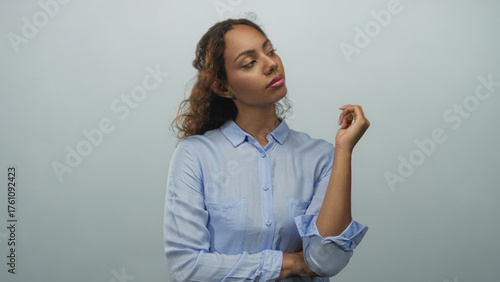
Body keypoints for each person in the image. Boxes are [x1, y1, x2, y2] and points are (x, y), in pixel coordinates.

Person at [164, 18, 370, 281]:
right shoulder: (195, 155)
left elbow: (325, 260)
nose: (271, 63)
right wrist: (289, 263)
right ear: (223, 87)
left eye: (270, 51)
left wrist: (344, 150)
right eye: (250, 62)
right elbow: (185, 268)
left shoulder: (320, 156)